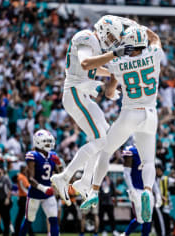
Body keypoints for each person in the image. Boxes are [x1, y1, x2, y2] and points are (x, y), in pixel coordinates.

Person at [81, 26, 163, 227]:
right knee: (148, 162)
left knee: (106, 151)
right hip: (151, 114)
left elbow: (88, 66)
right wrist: (139, 26)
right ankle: (147, 190)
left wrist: (113, 53)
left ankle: (94, 189)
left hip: (130, 112)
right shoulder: (154, 54)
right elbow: (155, 38)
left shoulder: (120, 62)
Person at [51, 15, 137, 204]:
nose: (113, 43)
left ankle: (85, 181)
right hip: (75, 92)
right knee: (99, 140)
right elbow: (85, 63)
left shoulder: (94, 44)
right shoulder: (86, 37)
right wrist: (115, 55)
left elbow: (93, 69)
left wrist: (115, 73)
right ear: (105, 32)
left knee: (103, 135)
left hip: (81, 92)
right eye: (113, 38)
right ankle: (64, 177)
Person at [20, 130, 61, 236]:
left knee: (54, 220)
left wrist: (59, 164)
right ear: (38, 142)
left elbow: (60, 174)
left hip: (48, 194)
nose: (49, 144)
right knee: (29, 220)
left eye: (49, 141)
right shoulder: (33, 155)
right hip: (35, 194)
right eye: (46, 141)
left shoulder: (52, 155)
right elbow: (31, 179)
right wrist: (44, 188)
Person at [121, 145, 162, 236]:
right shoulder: (131, 150)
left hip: (147, 189)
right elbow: (126, 173)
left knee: (148, 218)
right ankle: (125, 234)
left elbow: (152, 176)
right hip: (136, 189)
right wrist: (131, 189)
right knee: (139, 218)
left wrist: (158, 193)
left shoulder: (149, 149)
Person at [14, 165, 33, 236]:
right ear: (23, 170)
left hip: (22, 198)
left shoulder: (19, 176)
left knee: (22, 217)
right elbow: (28, 187)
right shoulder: (22, 177)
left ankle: (17, 232)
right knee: (26, 217)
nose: (27, 170)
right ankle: (30, 233)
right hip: (24, 198)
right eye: (26, 169)